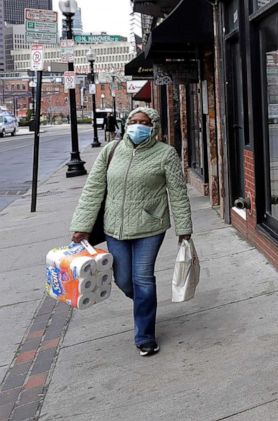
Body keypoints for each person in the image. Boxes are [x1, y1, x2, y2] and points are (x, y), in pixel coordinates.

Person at [69, 107, 192, 356]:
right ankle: (145, 304)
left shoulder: (166, 154)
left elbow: (178, 194)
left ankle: (145, 335)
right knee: (124, 280)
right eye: (134, 121)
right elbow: (93, 189)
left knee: (143, 278)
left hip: (150, 226)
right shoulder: (111, 151)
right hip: (115, 227)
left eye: (143, 122)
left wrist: (184, 228)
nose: (137, 126)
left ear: (153, 126)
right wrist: (81, 226)